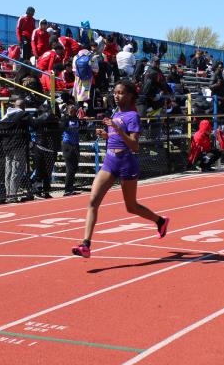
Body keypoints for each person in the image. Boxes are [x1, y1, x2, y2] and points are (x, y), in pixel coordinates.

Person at [71, 80, 169, 258]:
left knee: (131, 207)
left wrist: (116, 128)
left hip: (126, 163)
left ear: (130, 96)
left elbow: (134, 146)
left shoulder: (133, 116)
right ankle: (86, 244)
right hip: (110, 162)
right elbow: (115, 138)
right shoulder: (116, 113)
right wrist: (106, 135)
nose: (116, 96)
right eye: (115, 92)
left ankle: (160, 221)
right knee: (93, 201)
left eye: (120, 93)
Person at [32, 103, 61, 199]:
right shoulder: (42, 119)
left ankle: (45, 191)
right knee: (41, 171)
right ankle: (39, 190)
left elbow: (59, 126)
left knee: (45, 171)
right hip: (43, 147)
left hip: (47, 148)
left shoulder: (52, 118)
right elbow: (34, 124)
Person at [60, 103, 82, 195]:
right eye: (71, 109)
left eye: (74, 110)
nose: (73, 111)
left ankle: (71, 187)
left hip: (75, 144)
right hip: (67, 144)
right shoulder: (65, 119)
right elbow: (61, 127)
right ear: (68, 110)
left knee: (75, 167)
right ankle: (67, 189)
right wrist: (67, 116)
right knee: (70, 167)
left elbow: (82, 129)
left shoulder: (76, 119)